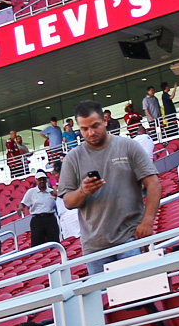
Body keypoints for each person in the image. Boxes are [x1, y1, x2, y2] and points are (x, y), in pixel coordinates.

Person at [60, 100, 161, 273]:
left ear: (105, 121)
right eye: (84, 129)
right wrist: (84, 191)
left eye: (95, 126)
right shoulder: (72, 158)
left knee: (140, 296)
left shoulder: (128, 146)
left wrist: (148, 221)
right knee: (104, 299)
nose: (91, 132)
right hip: (95, 246)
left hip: (130, 238)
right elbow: (68, 202)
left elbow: (153, 183)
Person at [23, 174, 59, 247]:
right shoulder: (31, 192)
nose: (42, 181)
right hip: (37, 219)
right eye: (39, 179)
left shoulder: (51, 192)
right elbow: (23, 203)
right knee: (37, 243)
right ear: (36, 181)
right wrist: (21, 208)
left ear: (46, 180)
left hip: (50, 218)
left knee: (54, 241)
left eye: (43, 179)